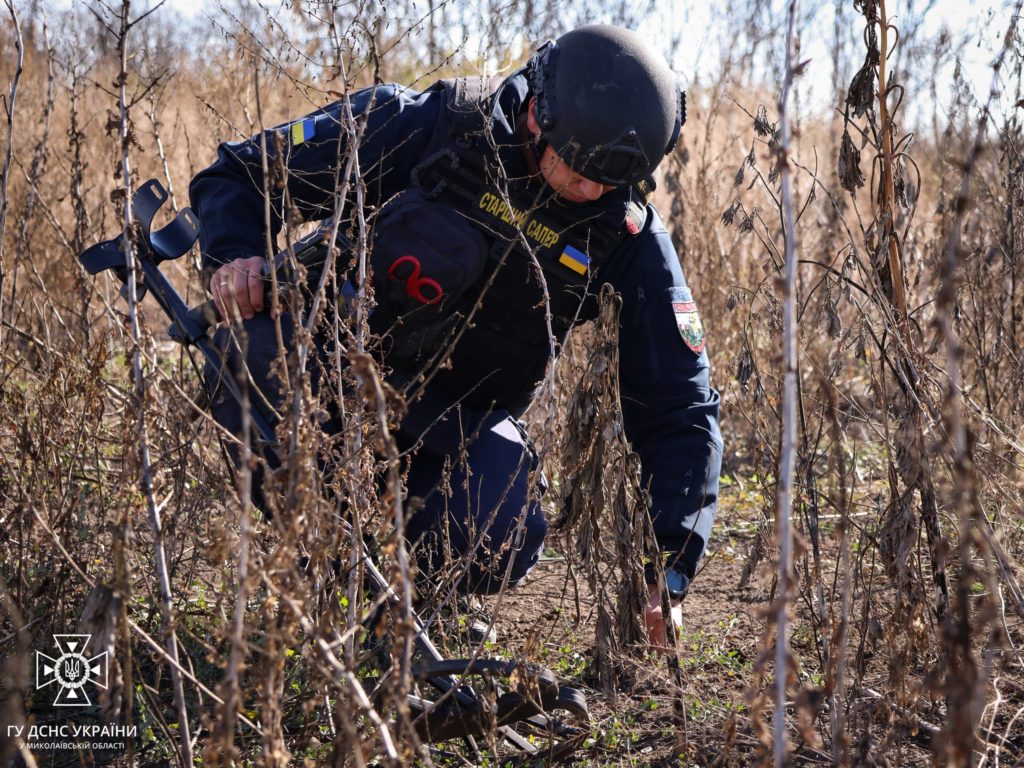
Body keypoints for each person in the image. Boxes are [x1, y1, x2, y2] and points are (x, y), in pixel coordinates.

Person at [188, 24, 722, 649]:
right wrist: (236, 257)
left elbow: (679, 407)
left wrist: (672, 560)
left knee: (509, 527)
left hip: (450, 427)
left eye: (614, 181)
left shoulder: (625, 237)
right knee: (247, 357)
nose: (592, 191)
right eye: (580, 170)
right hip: (324, 378)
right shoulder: (428, 126)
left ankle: (410, 594)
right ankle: (327, 572)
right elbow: (241, 176)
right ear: (535, 115)